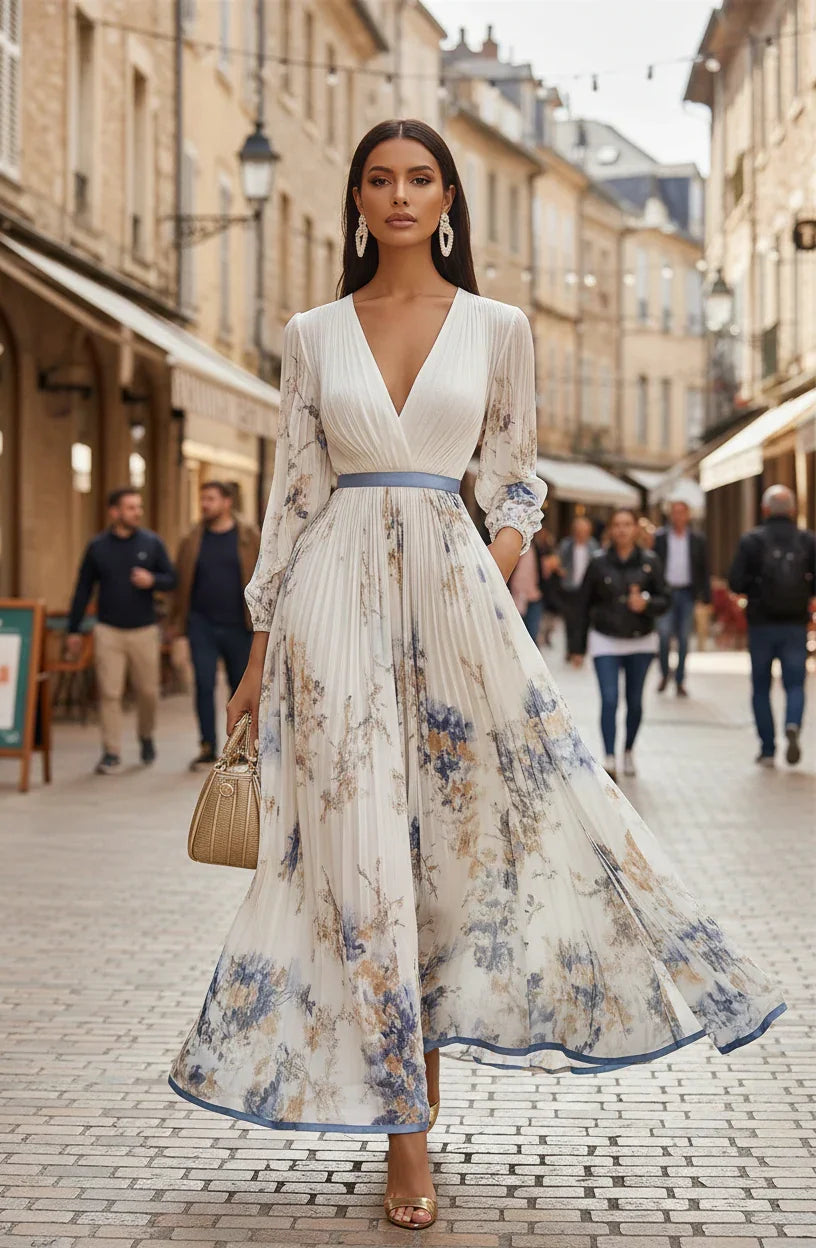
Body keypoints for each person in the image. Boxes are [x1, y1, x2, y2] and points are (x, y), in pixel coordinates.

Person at [167, 119, 787, 1232]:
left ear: (448, 199)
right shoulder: (310, 336)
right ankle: (408, 1139)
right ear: (356, 202)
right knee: (361, 863)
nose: (398, 196)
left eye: (418, 179)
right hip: (334, 610)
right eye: (378, 180)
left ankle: (422, 1083)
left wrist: (490, 572)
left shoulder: (499, 328)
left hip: (458, 607)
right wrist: (259, 652)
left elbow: (515, 484)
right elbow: (294, 502)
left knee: (465, 849)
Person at [66, 487, 176, 774]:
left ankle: (145, 735)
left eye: (138, 507)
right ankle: (111, 752)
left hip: (144, 629)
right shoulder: (98, 547)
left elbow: (172, 578)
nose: (137, 512)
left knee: (148, 692)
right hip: (108, 631)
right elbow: (82, 589)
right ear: (114, 512)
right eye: (130, 507)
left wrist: (152, 579)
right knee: (110, 693)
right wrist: (73, 630)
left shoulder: (152, 543)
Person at [570, 508, 670, 780]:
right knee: (610, 699)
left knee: (635, 702)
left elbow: (665, 599)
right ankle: (610, 757)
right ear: (611, 530)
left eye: (628, 524)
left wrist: (647, 603)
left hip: (641, 641)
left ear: (637, 529)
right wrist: (576, 648)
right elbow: (581, 606)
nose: (623, 530)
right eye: (618, 524)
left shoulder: (650, 562)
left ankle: (628, 750)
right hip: (605, 640)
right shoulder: (598, 563)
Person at [168, 482, 260, 770]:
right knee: (203, 684)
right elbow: (180, 583)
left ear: (227, 502)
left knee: (239, 685)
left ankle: (242, 747)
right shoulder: (192, 539)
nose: (205, 504)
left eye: (210, 499)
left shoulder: (248, 537)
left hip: (239, 625)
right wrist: (177, 623)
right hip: (202, 625)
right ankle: (207, 746)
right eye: (202, 498)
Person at [728, 484, 815, 767]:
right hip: (794, 624)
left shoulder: (752, 540)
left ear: (765, 509)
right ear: (793, 509)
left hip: (762, 624)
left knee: (761, 686)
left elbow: (735, 582)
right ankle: (792, 723)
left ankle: (767, 748)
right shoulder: (807, 540)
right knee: (795, 684)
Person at [654, 499, 711, 697]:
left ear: (688, 515)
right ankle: (663, 673)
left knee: (684, 639)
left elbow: (704, 569)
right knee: (663, 635)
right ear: (671, 515)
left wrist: (706, 596)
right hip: (666, 592)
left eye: (682, 512)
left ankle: (679, 680)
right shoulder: (660, 538)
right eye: (675, 512)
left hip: (687, 593)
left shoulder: (697, 539)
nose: (678, 516)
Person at [556, 515, 600, 660]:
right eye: (579, 530)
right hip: (569, 588)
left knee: (584, 620)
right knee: (570, 621)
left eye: (584, 530)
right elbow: (558, 561)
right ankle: (570, 650)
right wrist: (560, 569)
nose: (581, 533)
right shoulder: (566, 545)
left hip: (587, 590)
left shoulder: (593, 546)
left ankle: (580, 651)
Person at [507, 538, 542, 642]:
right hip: (515, 597)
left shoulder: (535, 547)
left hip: (534, 596)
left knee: (532, 637)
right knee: (516, 636)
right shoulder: (514, 546)